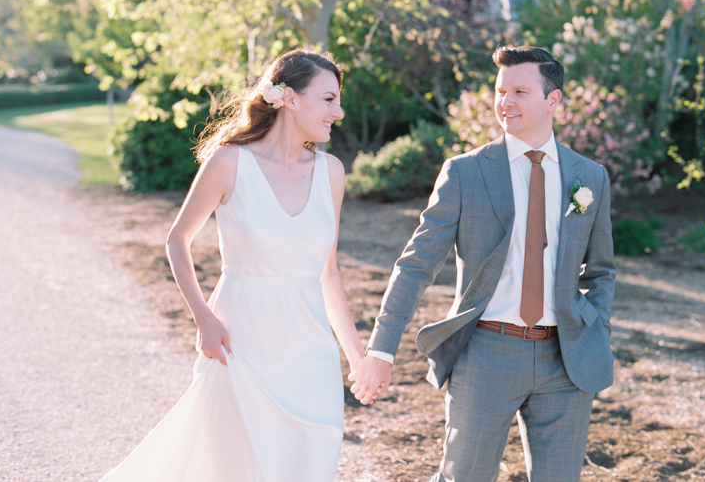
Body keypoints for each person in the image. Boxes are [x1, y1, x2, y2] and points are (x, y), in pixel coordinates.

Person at [349, 46, 616, 481]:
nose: (505, 102)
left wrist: (596, 325)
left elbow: (601, 268)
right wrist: (381, 350)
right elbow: (416, 265)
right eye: (500, 91)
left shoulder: (590, 177)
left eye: (519, 92)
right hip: (487, 354)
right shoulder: (465, 172)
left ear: (553, 100)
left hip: (566, 359)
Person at [99, 49, 367, 482]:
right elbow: (177, 241)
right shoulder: (228, 162)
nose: (339, 112)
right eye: (329, 99)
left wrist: (356, 358)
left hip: (311, 352)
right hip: (240, 343)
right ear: (291, 99)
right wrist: (203, 318)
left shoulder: (331, 171)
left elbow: (328, 273)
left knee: (310, 461)